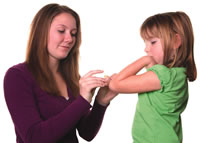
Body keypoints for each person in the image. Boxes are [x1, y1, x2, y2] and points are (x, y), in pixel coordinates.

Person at [3, 3, 117, 143]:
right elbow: (34, 138)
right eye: (61, 31)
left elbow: (86, 133)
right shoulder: (17, 76)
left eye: (73, 33)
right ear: (41, 32)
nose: (69, 39)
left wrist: (101, 102)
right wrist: (82, 101)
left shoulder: (72, 78)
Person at [109, 11, 197, 143]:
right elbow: (123, 81)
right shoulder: (177, 75)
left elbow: (115, 85)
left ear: (176, 41)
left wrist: (145, 60)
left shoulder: (163, 76)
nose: (146, 49)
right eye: (145, 43)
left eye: (153, 42)